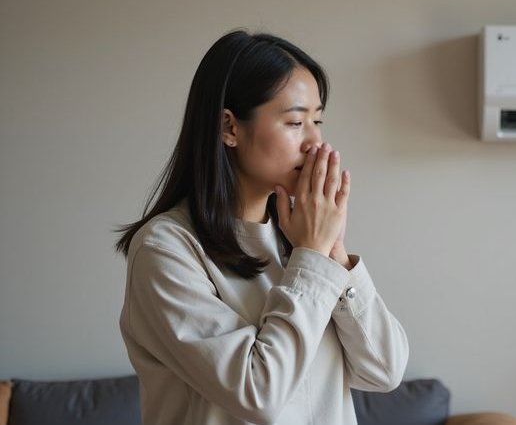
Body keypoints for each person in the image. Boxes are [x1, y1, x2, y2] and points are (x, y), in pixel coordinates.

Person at [114, 29, 409, 425]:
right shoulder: (166, 248)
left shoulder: (299, 240)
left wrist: (333, 253)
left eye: (317, 120)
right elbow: (258, 393)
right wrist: (311, 259)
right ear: (229, 128)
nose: (315, 143)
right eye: (294, 122)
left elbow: (384, 371)